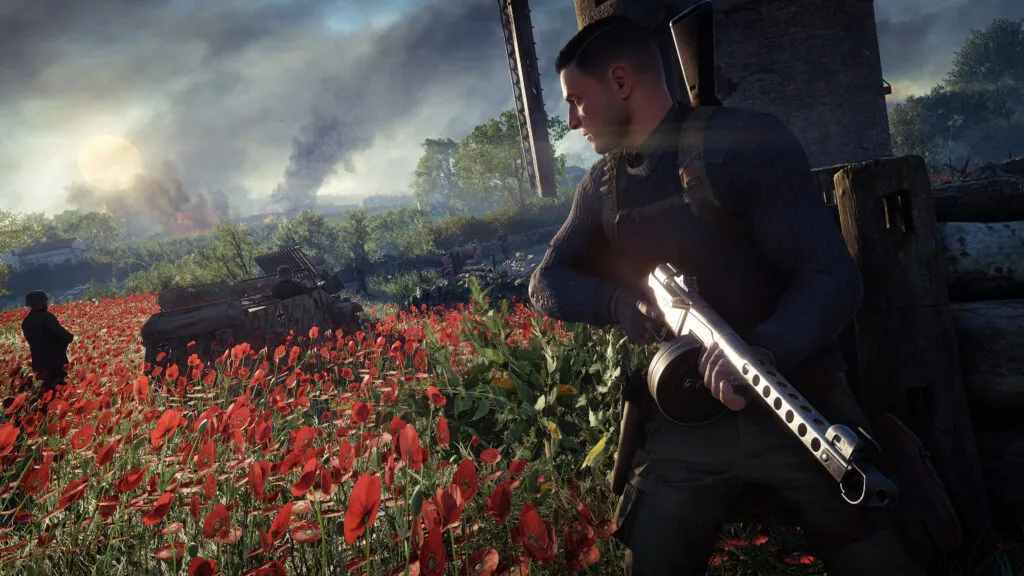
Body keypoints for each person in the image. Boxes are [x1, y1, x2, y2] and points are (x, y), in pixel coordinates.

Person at [528, 15, 957, 576]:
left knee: (877, 551)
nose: (571, 120)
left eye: (578, 101)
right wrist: (617, 305)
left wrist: (764, 350)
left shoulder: (743, 144)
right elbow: (545, 282)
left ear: (621, 81)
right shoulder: (603, 187)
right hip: (685, 428)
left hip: (798, 406)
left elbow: (831, 278)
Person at [20, 290, 74, 399]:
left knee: (45, 395)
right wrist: (69, 337)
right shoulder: (46, 317)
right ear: (43, 303)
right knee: (60, 395)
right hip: (55, 362)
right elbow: (64, 335)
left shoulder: (26, 322)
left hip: (38, 363)